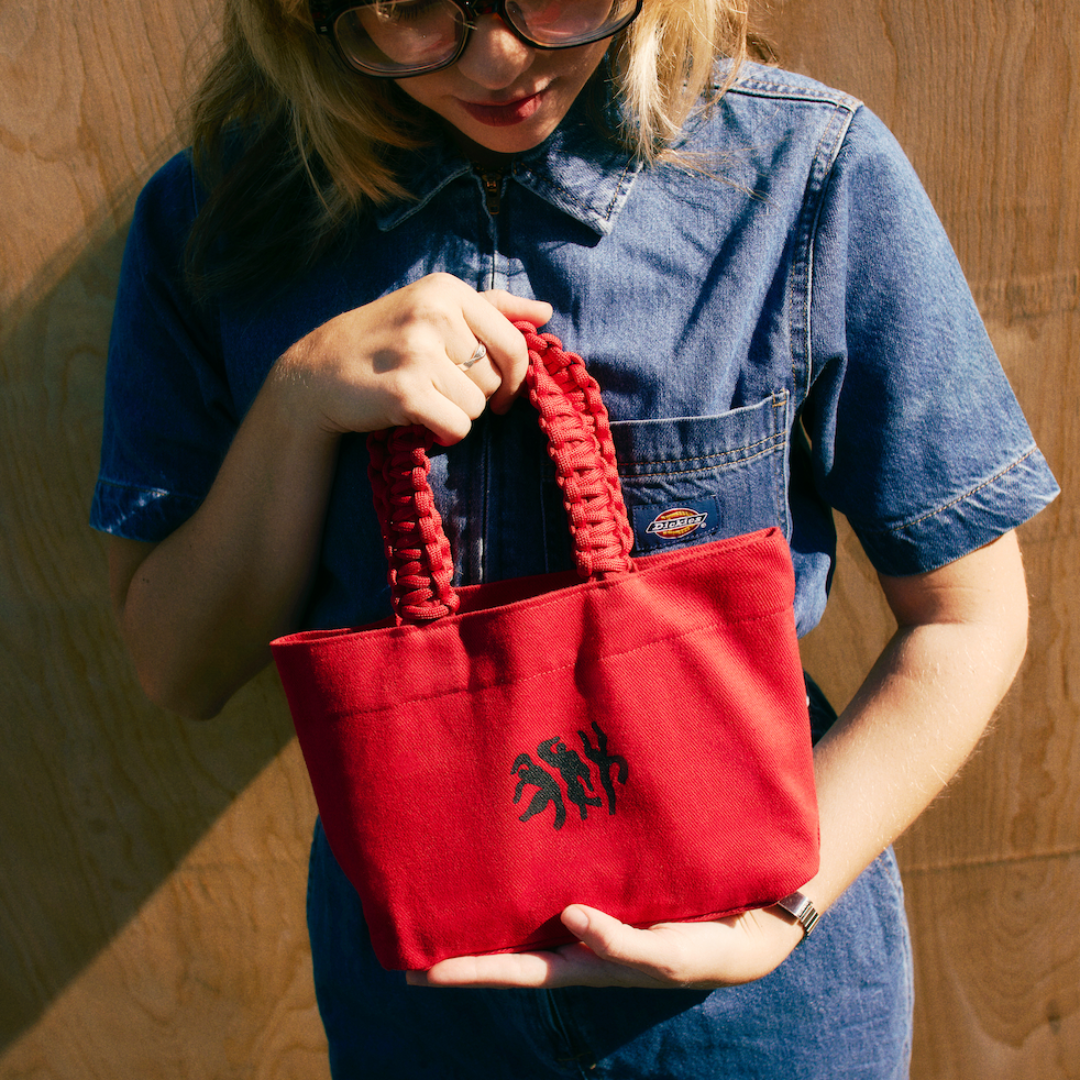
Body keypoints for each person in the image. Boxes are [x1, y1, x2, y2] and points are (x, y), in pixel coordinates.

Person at [91, 0, 1059, 1075]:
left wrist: (778, 909)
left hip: (758, 1016)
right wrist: (298, 404)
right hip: (421, 1014)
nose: (503, 58)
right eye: (411, 8)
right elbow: (180, 667)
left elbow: (968, 615)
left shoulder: (802, 171)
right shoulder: (216, 217)